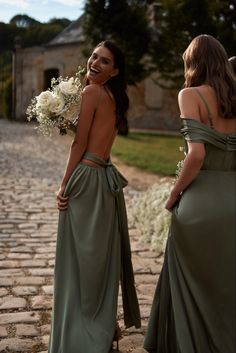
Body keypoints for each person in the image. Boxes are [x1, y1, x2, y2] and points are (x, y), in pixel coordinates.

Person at [144, 34, 236, 353]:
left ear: (192, 63)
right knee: (228, 283)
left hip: (202, 202)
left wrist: (173, 195)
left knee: (193, 283)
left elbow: (196, 155)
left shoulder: (190, 94)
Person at [48, 40, 141, 353]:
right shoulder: (113, 96)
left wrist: (64, 185)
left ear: (114, 70)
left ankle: (82, 332)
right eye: (93, 56)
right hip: (103, 178)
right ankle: (101, 324)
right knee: (97, 260)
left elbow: (80, 144)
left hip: (86, 180)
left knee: (76, 261)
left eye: (104, 61)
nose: (95, 63)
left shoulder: (91, 93)